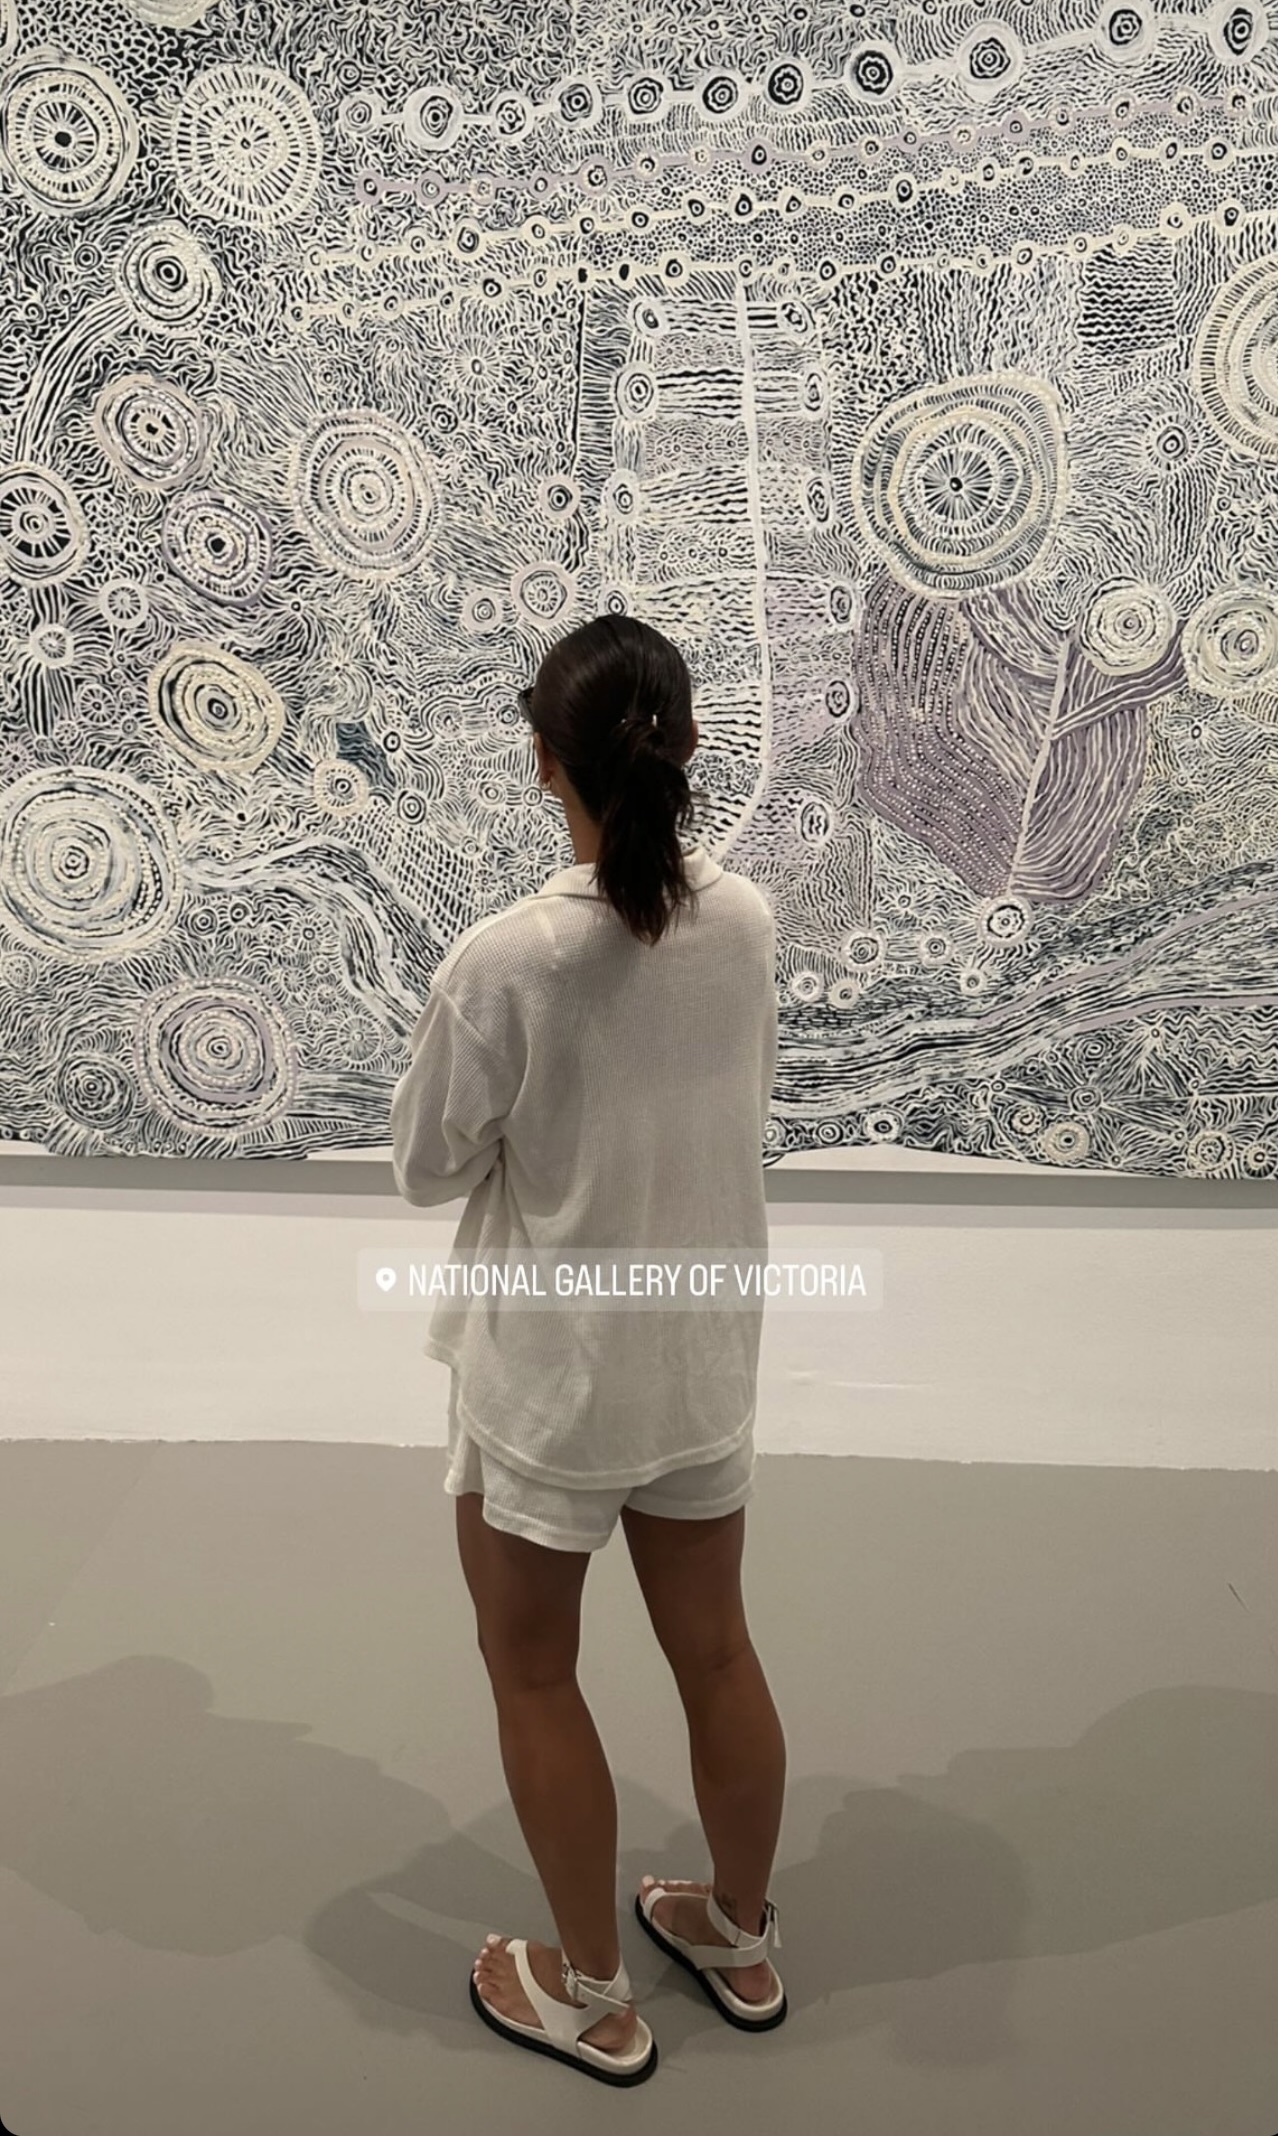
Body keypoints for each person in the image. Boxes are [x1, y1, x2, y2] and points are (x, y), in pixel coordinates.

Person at [390, 612, 787, 2086]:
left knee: (534, 1676)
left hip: (550, 1385)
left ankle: (593, 1997)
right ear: (684, 744)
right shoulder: (745, 921)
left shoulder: (509, 960)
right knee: (718, 1652)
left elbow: (426, 1167)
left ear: (543, 760)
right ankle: (736, 1936)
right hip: (698, 1363)